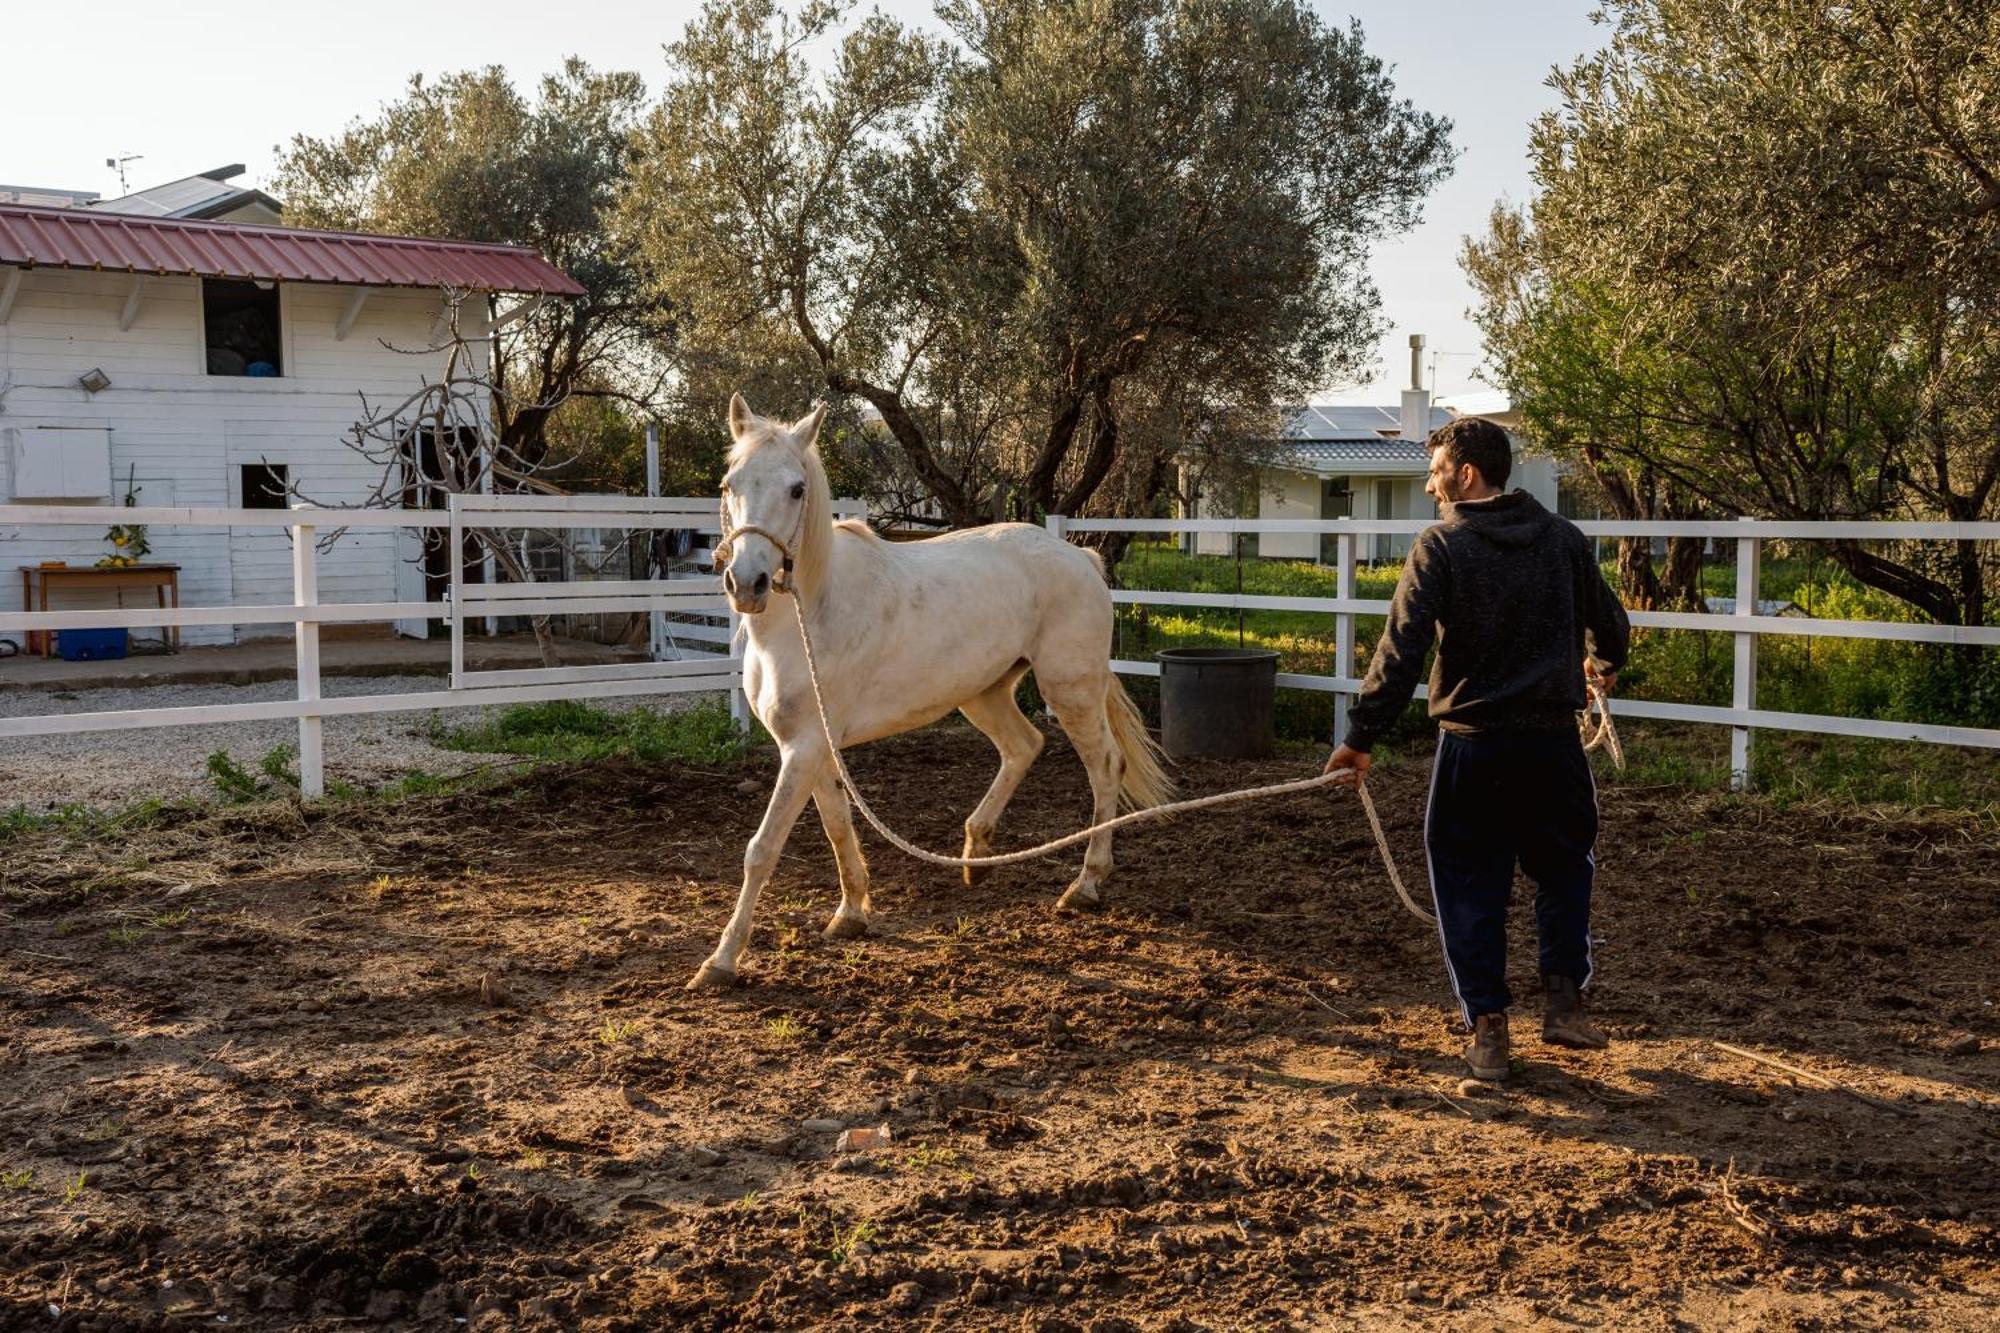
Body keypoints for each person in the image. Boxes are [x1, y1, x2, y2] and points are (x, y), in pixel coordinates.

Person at [1324, 417, 1630, 1081]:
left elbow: (1401, 651)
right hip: (1553, 745)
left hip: (1475, 746)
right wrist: (1603, 663)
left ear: (1466, 474)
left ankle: (1489, 1028)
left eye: (1436, 470)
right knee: (1565, 867)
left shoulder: (1442, 544)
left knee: (1468, 881)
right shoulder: (1565, 540)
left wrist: (1359, 737)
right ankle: (1564, 1003)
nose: (1432, 483)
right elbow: (1613, 625)